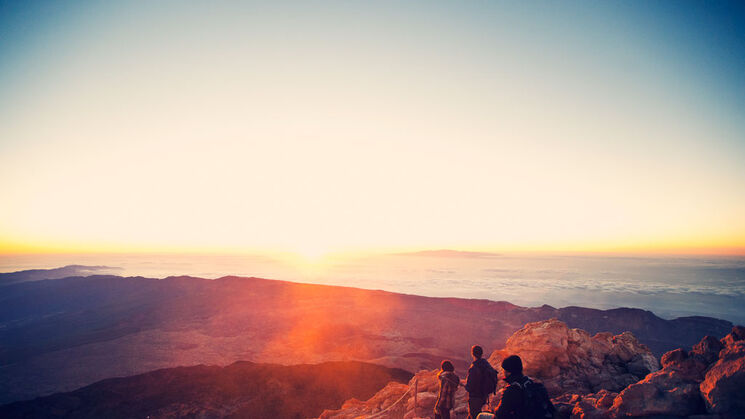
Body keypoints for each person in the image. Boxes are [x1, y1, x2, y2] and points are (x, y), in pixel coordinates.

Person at [465, 345, 496, 419]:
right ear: (482, 353)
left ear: (472, 354)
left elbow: (470, 387)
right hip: (484, 396)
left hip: (475, 397)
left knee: (475, 415)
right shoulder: (486, 365)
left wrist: (465, 386)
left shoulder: (474, 367)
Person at [494, 355, 525, 419]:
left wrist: (495, 410)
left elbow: (500, 414)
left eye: (504, 369)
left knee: (481, 416)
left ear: (508, 372)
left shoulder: (511, 389)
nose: (503, 371)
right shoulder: (533, 383)